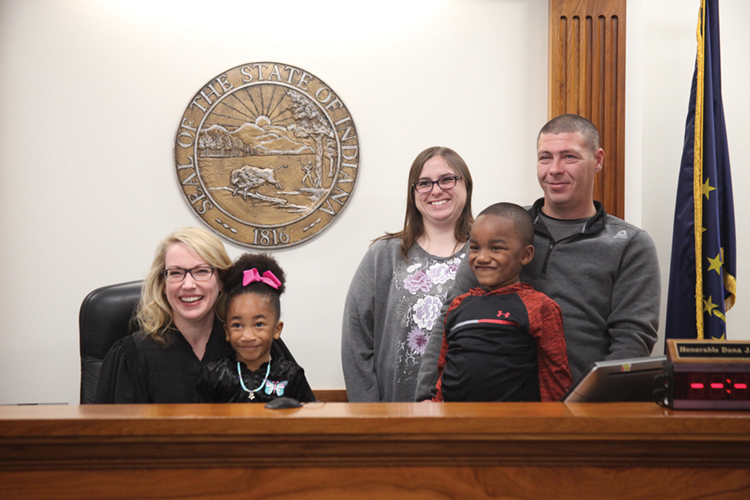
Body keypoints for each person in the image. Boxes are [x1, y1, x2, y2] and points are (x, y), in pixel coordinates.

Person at [415, 114, 660, 401]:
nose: (554, 169)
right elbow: (450, 317)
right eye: (545, 157)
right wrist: (424, 398)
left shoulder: (630, 244)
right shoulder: (502, 229)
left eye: (569, 157)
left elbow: (631, 339)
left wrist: (592, 409)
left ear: (598, 160)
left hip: (582, 419)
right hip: (487, 414)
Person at [341, 146, 474, 401]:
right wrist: (368, 412)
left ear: (466, 185)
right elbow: (355, 337)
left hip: (467, 409)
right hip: (394, 410)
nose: (436, 190)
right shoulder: (384, 255)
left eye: (447, 179)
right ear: (413, 194)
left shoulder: (488, 255)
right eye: (424, 183)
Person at [433, 203, 572, 402]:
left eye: (496, 248)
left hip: (511, 427)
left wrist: (556, 427)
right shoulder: (458, 305)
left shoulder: (539, 307)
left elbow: (555, 378)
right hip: (455, 425)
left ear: (526, 255)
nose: (481, 257)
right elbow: (444, 369)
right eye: (475, 248)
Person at [95, 227, 234, 403]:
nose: (188, 285)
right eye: (175, 273)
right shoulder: (130, 356)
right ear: (162, 284)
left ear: (221, 280)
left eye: (201, 271)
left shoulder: (252, 346)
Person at [194, 253, 315, 403]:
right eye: (237, 325)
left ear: (277, 329)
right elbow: (200, 423)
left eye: (259, 325)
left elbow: (308, 421)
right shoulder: (213, 375)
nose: (248, 336)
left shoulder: (291, 375)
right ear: (227, 331)